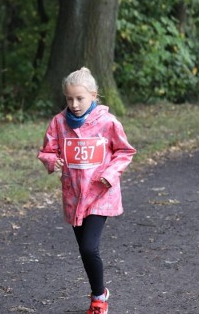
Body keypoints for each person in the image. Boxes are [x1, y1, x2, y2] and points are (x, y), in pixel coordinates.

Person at [37, 67, 136, 314]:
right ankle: (97, 290)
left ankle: (99, 298)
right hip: (74, 196)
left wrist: (110, 174)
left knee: (89, 247)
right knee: (84, 249)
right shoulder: (59, 123)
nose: (74, 104)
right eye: (69, 99)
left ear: (94, 95)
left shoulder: (108, 122)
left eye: (80, 98)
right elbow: (47, 151)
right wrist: (52, 161)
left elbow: (125, 152)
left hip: (100, 194)